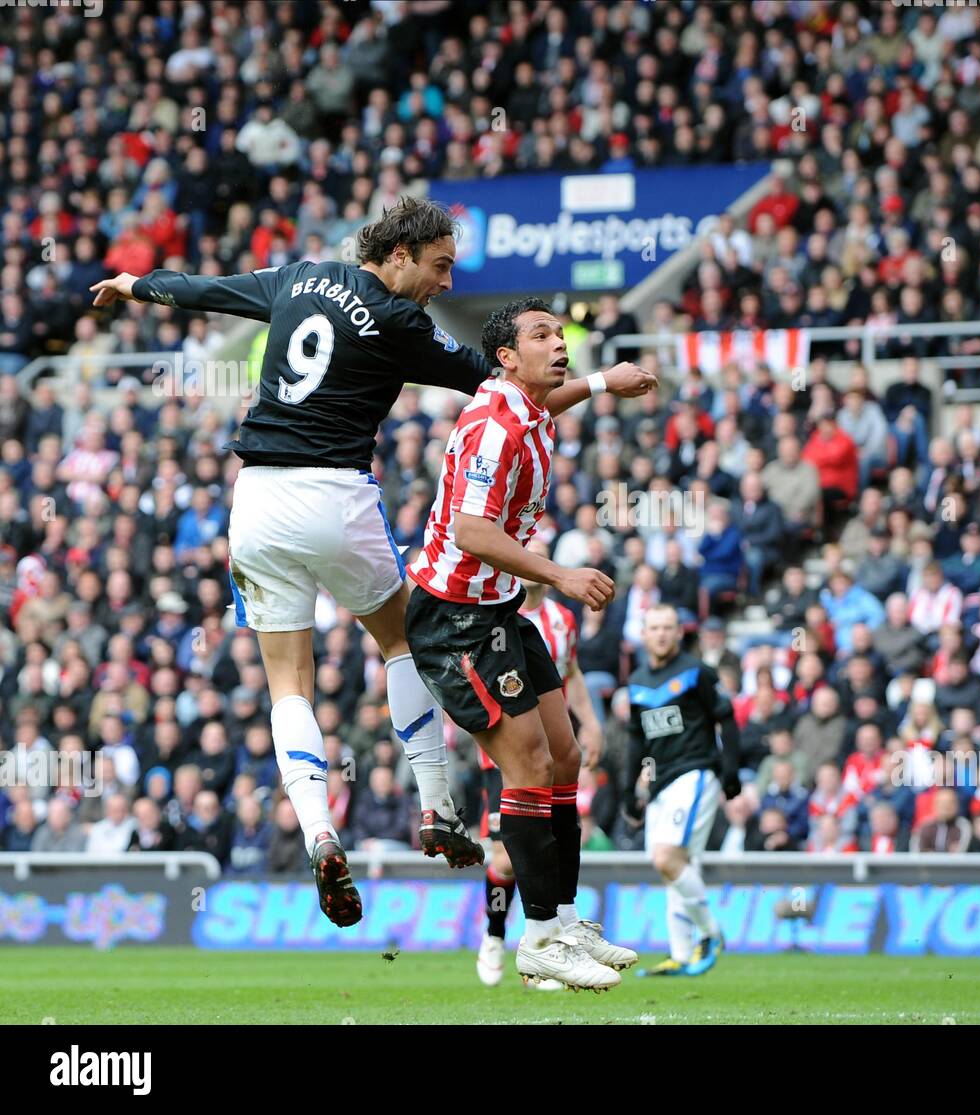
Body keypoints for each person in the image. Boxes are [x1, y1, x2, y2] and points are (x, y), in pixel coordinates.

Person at [91, 198, 653, 929]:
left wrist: (133, 285)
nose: (444, 284)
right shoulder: (400, 321)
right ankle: (436, 803)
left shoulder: (297, 277)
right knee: (403, 638)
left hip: (255, 502)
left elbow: (205, 288)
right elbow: (519, 392)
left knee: (286, 684)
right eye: (440, 266)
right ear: (400, 254)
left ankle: (320, 831)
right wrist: (605, 382)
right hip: (334, 492)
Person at [406, 297, 647, 992]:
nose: (559, 343)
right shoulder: (492, 424)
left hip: (497, 607)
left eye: (561, 333)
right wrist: (561, 574)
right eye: (541, 335)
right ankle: (538, 938)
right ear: (508, 357)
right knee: (530, 763)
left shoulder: (527, 405)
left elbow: (554, 402)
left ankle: (565, 921)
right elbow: (473, 530)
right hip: (455, 620)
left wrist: (605, 382)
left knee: (566, 753)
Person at [475, 539, 605, 990]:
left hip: (552, 752)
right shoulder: (497, 616)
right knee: (505, 859)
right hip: (506, 753)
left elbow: (569, 674)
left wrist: (591, 723)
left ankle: (549, 941)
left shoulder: (562, 620)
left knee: (547, 840)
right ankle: (494, 935)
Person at [624, 604, 742, 977]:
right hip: (659, 784)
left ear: (679, 633)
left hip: (694, 773)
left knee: (666, 857)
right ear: (644, 634)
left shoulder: (697, 672)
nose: (660, 634)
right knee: (673, 868)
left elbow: (726, 717)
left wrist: (731, 770)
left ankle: (711, 932)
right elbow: (634, 740)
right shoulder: (638, 681)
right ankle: (681, 952)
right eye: (654, 627)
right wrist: (631, 793)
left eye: (668, 627)